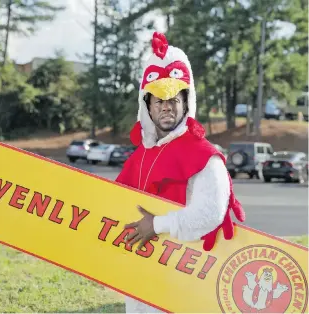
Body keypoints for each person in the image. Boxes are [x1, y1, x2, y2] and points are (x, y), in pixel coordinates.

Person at [115, 32, 245, 313]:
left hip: (184, 283)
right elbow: (115, 204)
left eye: (174, 97)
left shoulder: (205, 156)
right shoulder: (138, 157)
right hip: (139, 281)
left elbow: (208, 214)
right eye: (158, 99)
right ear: (146, 105)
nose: (166, 105)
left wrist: (157, 225)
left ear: (187, 102)